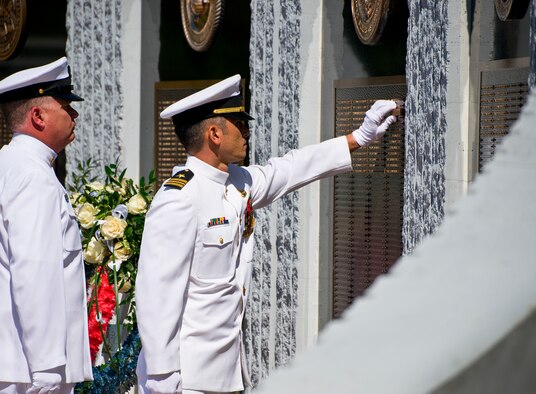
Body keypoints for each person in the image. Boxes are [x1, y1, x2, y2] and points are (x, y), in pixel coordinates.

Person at [135, 75, 397, 394]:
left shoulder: (236, 181)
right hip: (183, 378)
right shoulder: (180, 197)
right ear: (214, 133)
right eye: (239, 124)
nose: (247, 132)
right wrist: (161, 375)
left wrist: (359, 137)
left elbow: (290, 169)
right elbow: (157, 291)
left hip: (223, 373)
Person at [0, 57, 93, 393]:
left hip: (12, 363)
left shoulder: (7, 166)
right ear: (38, 116)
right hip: (29, 370)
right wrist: (47, 366)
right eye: (65, 106)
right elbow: (34, 272)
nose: (74, 115)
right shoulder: (32, 176)